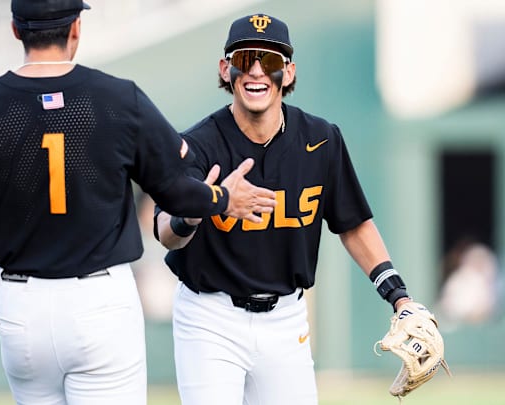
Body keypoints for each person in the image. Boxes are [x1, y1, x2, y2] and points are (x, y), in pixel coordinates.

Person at [0, 1, 278, 405]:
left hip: (21, 308)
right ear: (76, 29)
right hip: (100, 302)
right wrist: (222, 198)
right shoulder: (120, 100)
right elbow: (177, 190)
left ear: (15, 29)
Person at [155, 13, 428, 405]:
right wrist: (202, 206)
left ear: (289, 71)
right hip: (209, 317)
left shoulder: (321, 139)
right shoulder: (198, 144)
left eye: (269, 61)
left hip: (285, 319)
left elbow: (352, 223)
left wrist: (399, 296)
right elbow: (165, 231)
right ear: (225, 68)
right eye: (245, 57)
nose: (255, 71)